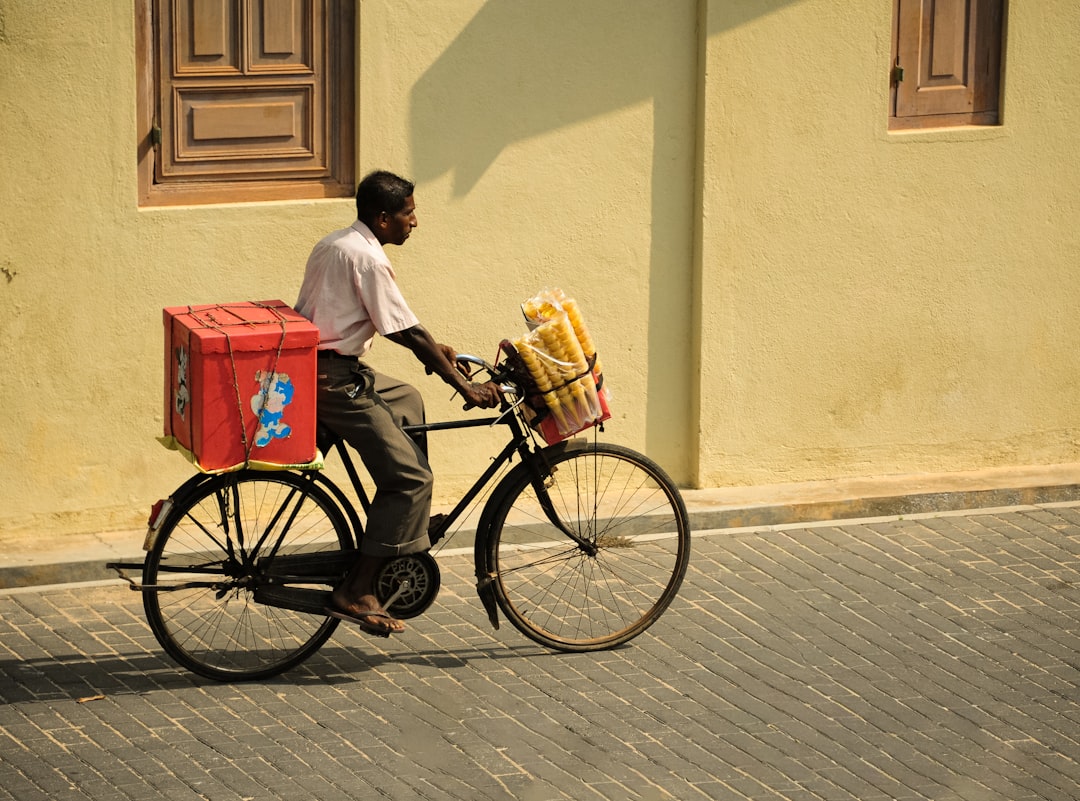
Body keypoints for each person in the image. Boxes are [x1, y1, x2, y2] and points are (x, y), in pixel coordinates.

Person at [295, 170, 501, 637]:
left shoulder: (338, 242)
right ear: (384, 218)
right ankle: (358, 589)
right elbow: (404, 331)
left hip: (325, 366)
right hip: (332, 379)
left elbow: (394, 324)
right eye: (409, 213)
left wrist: (438, 354)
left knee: (407, 398)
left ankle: (406, 527)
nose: (415, 222)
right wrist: (463, 386)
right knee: (410, 478)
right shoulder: (367, 259)